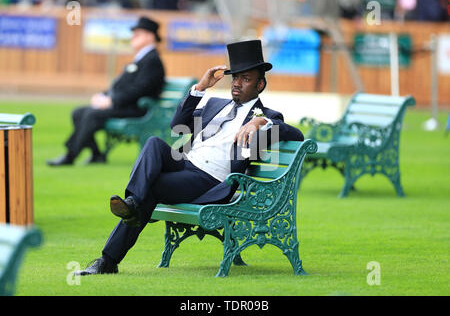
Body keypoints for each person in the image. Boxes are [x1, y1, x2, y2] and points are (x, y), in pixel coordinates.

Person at [74, 39, 304, 275]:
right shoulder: (216, 104)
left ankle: (108, 260)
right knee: (154, 143)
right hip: (185, 162)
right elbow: (178, 127)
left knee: (151, 190)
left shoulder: (268, 117)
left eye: (246, 79)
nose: (237, 84)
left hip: (210, 178)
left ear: (260, 85)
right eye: (235, 78)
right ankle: (132, 203)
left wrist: (260, 121)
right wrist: (200, 89)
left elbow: (296, 135)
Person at [47, 16, 165, 166]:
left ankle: (70, 155)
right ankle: (96, 154)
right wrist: (104, 95)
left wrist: (112, 101)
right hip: (124, 106)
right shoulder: (141, 58)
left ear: (150, 36)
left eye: (137, 34)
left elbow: (140, 90)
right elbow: (121, 85)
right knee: (78, 112)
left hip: (137, 109)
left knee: (91, 115)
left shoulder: (152, 60)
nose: (133, 37)